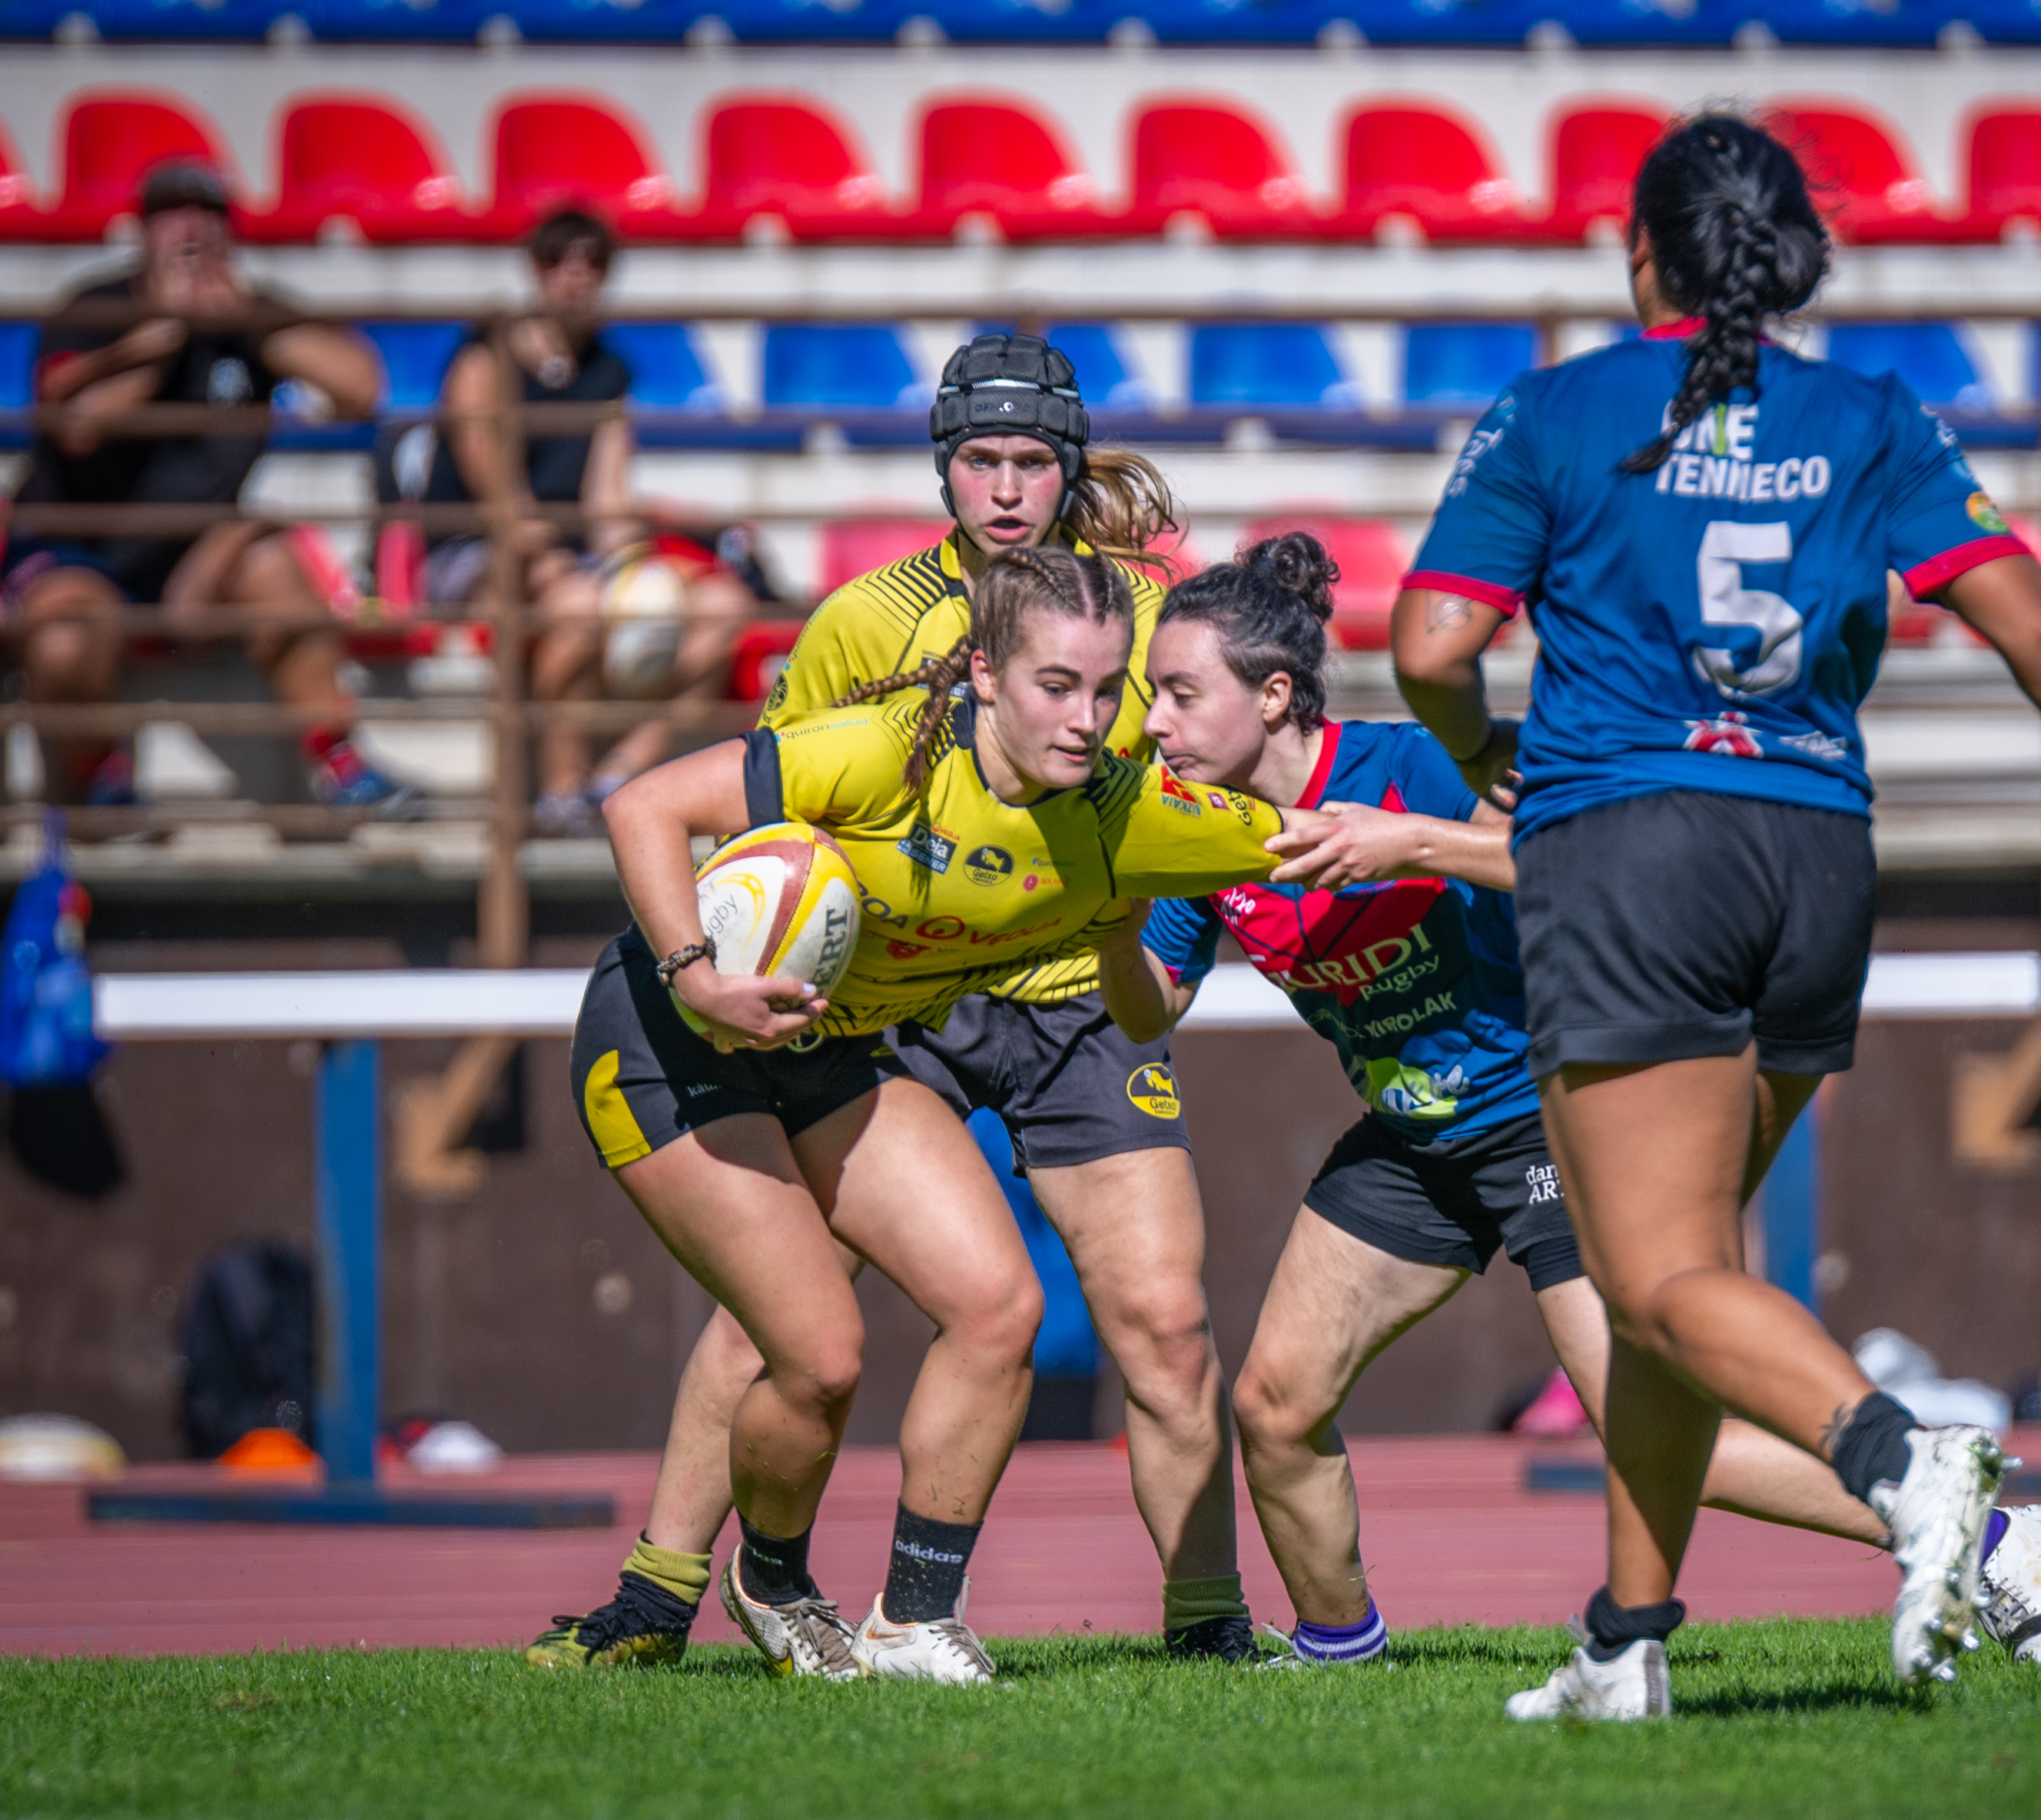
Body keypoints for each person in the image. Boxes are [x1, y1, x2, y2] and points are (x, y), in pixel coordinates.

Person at [1392, 115, 2041, 1716]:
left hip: (1633, 849)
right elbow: (2032, 616)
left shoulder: (1558, 407)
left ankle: (1912, 1470)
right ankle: (1624, 1645)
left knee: (1665, 1276)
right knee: (1665, 1285)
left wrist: (1487, 756)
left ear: (1642, 257)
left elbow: (1426, 639)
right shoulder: (1869, 415)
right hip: (1818, 856)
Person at [1114, 532, 2041, 1671]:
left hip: (1554, 1113)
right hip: (1416, 1141)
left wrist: (1413, 842)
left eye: (1179, 695)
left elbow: (1595, 858)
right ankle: (1339, 1659)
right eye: (1152, 700)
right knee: (1274, 1406)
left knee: (1648, 1432)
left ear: (1274, 696)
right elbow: (1147, 1010)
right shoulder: (1192, 834)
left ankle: (1981, 1528)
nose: (1155, 726)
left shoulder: (1413, 768)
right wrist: (1101, 917)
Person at [529, 336, 1270, 1672]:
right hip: (903, 996)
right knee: (791, 1309)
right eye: (977, 461)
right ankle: (659, 1588)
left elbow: (1203, 808)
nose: (1002, 489)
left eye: (1029, 461)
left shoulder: (1146, 615)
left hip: (1072, 1006)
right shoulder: (867, 626)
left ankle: (1205, 1622)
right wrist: (728, 971)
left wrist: (1155, 948)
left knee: (1160, 1320)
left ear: (1067, 466)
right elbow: (771, 838)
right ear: (942, 468)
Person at [3, 160, 416, 811]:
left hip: (192, 566)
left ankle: (341, 764)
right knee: (64, 636)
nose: (191, 230)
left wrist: (245, 321)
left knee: (273, 562)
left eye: (208, 213)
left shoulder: (252, 315)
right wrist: (159, 340)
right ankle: (99, 779)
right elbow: (79, 426)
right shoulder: (97, 306)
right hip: (76, 552)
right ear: (141, 233)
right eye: (172, 213)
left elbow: (362, 389)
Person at [415, 208, 752, 836]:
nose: (575, 278)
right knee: (579, 605)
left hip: (569, 559)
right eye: (558, 262)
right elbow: (496, 492)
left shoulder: (606, 371)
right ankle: (561, 793)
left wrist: (639, 566)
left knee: (724, 606)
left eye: (591, 264)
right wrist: (561, 561)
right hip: (471, 549)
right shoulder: (485, 355)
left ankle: (618, 777)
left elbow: (607, 498)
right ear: (535, 270)